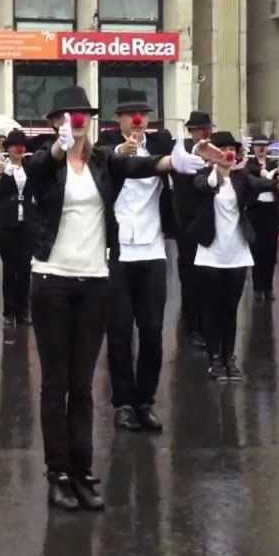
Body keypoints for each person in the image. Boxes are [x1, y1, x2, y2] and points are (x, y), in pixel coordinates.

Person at [27, 86, 205, 511]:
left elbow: (139, 165)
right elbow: (37, 167)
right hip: (52, 278)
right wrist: (57, 150)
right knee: (55, 385)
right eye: (68, 116)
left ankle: (83, 471)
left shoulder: (105, 161)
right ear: (56, 122)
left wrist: (170, 162)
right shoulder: (46, 162)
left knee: (82, 385)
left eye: (82, 115)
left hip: (95, 279)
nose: (76, 121)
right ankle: (57, 474)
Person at [102, 88, 177, 433]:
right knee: (119, 332)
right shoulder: (107, 148)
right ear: (118, 119)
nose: (137, 120)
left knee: (151, 331)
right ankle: (123, 403)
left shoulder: (162, 144)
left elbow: (179, 160)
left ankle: (145, 401)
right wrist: (122, 150)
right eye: (131, 114)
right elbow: (108, 159)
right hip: (118, 251)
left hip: (152, 249)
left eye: (143, 114)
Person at [191, 132, 279, 380]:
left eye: (231, 149)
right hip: (211, 251)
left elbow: (261, 184)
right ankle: (214, 358)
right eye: (222, 148)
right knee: (212, 308)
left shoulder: (241, 178)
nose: (227, 153)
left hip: (236, 252)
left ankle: (229, 357)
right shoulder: (204, 176)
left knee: (230, 308)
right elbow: (206, 187)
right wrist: (215, 165)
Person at [173, 111, 214, 348]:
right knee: (190, 275)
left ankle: (205, 324)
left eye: (206, 128)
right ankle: (192, 327)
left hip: (207, 219)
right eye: (200, 128)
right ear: (191, 131)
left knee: (207, 276)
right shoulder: (183, 151)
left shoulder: (211, 149)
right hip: (187, 221)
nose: (204, 132)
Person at [0, 129, 31, 327]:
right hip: (7, 225)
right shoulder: (1, 168)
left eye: (21, 145)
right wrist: (2, 176)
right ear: (9, 149)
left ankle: (23, 311)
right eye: (15, 145)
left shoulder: (30, 167)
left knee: (24, 269)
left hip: (26, 224)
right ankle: (9, 311)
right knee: (10, 268)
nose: (19, 149)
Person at [246, 135, 279, 302]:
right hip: (256, 210)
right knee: (257, 250)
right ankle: (258, 288)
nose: (261, 148)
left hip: (271, 210)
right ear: (253, 148)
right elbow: (251, 179)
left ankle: (268, 287)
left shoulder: (274, 164)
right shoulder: (249, 164)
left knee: (271, 250)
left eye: (264, 146)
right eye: (258, 145)